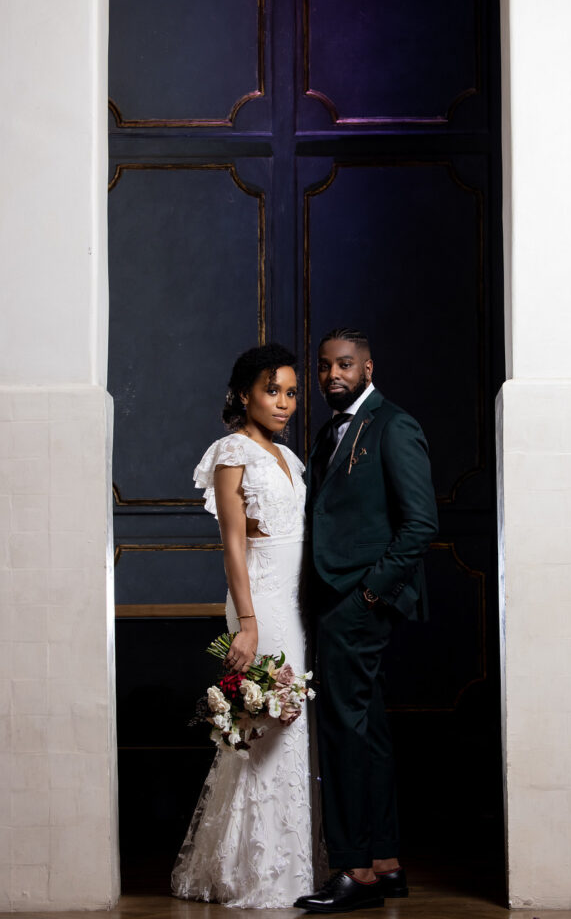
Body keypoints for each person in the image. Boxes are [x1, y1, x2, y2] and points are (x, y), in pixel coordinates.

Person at [294, 328, 438, 914]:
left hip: (359, 603)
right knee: (368, 729)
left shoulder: (393, 425)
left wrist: (369, 597)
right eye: (326, 366)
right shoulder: (331, 431)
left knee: (343, 733)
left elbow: (420, 525)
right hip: (339, 598)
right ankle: (385, 861)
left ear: (369, 367)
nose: (333, 375)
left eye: (345, 365)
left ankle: (353, 870)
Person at [171, 343, 316, 909]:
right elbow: (233, 546)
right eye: (272, 391)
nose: (284, 403)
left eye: (291, 392)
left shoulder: (288, 457)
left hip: (295, 607)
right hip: (262, 607)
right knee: (267, 727)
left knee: (288, 728)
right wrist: (248, 624)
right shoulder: (233, 452)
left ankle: (289, 865)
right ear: (243, 394)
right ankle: (256, 873)